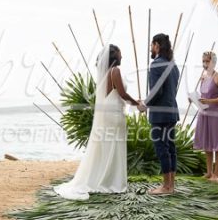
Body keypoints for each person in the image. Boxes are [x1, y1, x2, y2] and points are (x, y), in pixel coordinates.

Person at [55, 44, 138, 200]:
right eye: (120, 54)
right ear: (114, 57)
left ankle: (107, 179)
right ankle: (113, 182)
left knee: (108, 146)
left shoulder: (105, 73)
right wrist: (137, 103)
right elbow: (122, 93)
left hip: (108, 111)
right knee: (115, 145)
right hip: (114, 113)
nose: (122, 57)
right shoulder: (115, 71)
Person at [137, 33, 179, 195]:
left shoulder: (156, 65)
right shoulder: (173, 65)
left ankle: (166, 187)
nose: (150, 48)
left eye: (151, 45)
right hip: (172, 111)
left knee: (162, 149)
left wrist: (144, 105)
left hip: (160, 114)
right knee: (170, 148)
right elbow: (169, 91)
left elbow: (156, 91)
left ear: (157, 45)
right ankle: (171, 186)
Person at [191, 51, 218, 180]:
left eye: (207, 61)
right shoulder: (203, 77)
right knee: (207, 143)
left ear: (213, 62)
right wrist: (194, 99)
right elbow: (203, 96)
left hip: (216, 114)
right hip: (204, 112)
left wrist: (209, 101)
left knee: (217, 144)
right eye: (203, 61)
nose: (204, 64)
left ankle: (216, 173)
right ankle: (208, 172)